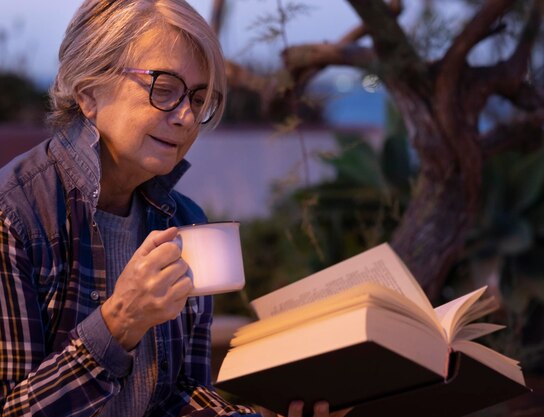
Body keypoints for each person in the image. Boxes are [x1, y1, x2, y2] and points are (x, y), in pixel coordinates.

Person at [0, 1, 350, 416]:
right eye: (163, 89)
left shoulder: (185, 221)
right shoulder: (15, 217)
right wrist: (117, 325)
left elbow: (177, 395)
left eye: (199, 98)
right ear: (89, 93)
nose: (186, 116)